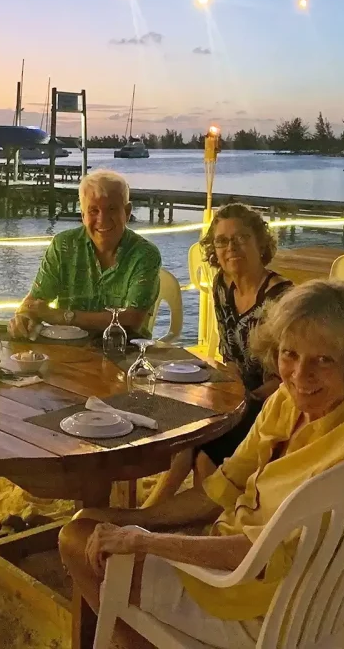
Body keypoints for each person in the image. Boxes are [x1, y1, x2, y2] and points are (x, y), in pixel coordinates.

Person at [59, 280, 344, 648]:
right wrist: (136, 519)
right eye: (290, 354)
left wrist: (144, 540)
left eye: (324, 360)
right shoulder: (290, 403)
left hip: (256, 605)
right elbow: (223, 487)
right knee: (93, 520)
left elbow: (259, 556)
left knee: (75, 538)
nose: (300, 375)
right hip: (264, 574)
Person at [143, 204, 292, 507]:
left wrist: (244, 401)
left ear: (260, 242)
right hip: (239, 392)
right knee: (187, 427)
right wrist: (221, 394)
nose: (231, 248)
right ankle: (161, 510)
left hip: (274, 402)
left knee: (203, 447)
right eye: (222, 241)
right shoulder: (223, 285)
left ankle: (171, 512)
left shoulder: (281, 298)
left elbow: (287, 377)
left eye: (241, 238)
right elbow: (230, 357)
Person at [10, 170, 162, 339]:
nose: (102, 219)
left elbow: (131, 320)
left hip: (125, 349)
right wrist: (24, 318)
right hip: (68, 348)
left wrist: (63, 316)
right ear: (83, 215)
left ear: (127, 212)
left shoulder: (145, 254)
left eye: (112, 209)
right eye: (93, 211)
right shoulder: (63, 245)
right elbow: (34, 302)